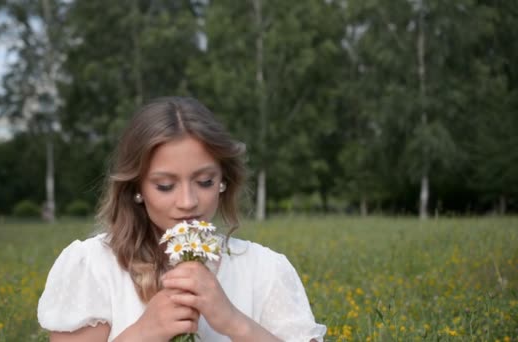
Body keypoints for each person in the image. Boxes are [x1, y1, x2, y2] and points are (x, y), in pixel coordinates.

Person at [37, 97, 327, 341]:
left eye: (204, 181)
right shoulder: (95, 266)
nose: (188, 202)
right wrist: (143, 333)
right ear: (136, 188)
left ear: (223, 180)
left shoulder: (265, 270)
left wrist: (234, 322)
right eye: (165, 186)